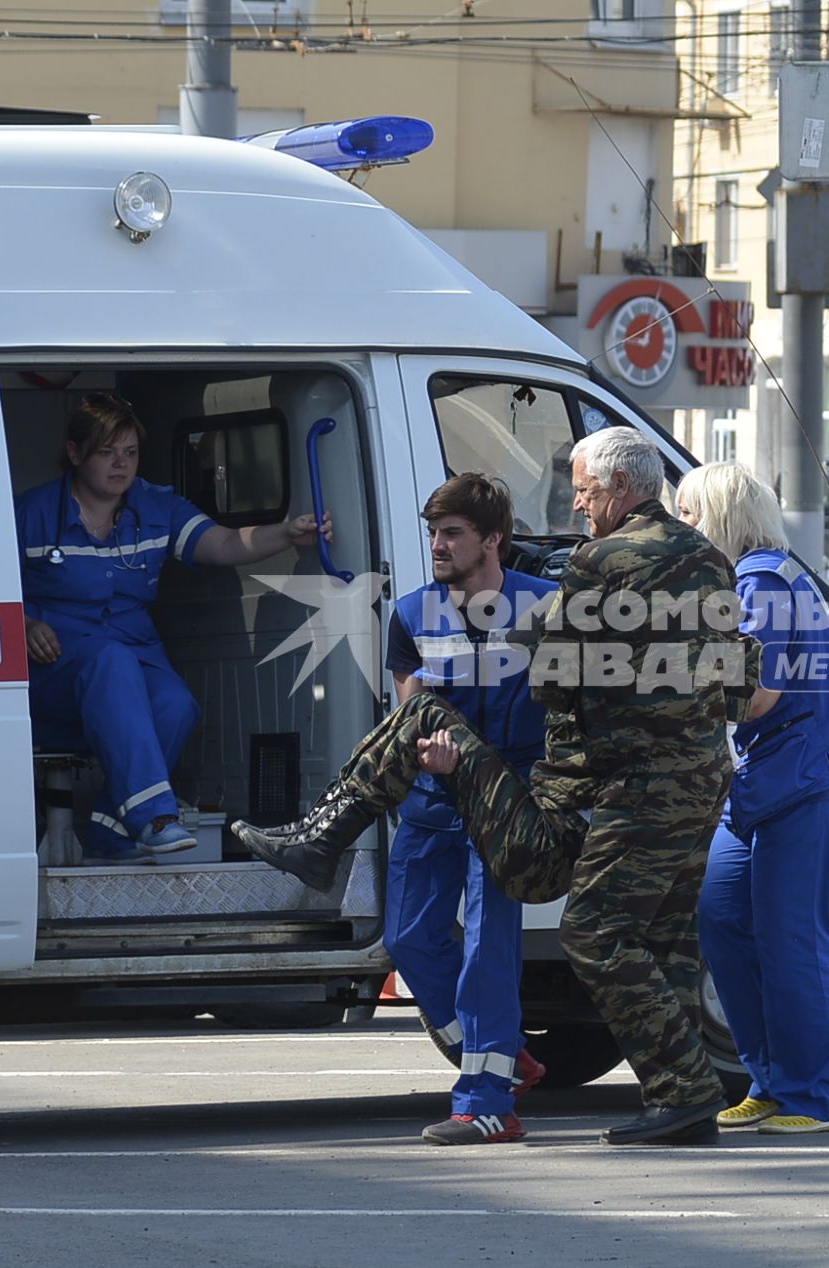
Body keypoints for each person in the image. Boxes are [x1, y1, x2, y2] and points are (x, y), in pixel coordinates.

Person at [233, 427, 742, 1147]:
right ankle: (684, 1095)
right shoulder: (707, 558)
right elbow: (725, 666)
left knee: (591, 928)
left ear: (622, 491)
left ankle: (327, 833)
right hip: (696, 779)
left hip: (600, 788)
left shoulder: (599, 561)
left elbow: (557, 664)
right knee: (665, 941)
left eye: (585, 490)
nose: (577, 504)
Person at [18, 393, 331, 864]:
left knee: (176, 704)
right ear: (75, 453)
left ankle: (108, 830)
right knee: (111, 661)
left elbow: (225, 543)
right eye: (107, 452)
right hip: (55, 667)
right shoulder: (31, 513)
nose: (120, 465)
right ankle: (156, 820)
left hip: (132, 653)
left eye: (130, 452)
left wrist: (285, 533)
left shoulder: (156, 506)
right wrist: (23, 624)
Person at [675, 463, 829, 1136]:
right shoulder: (761, 576)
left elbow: (756, 693)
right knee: (722, 912)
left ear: (719, 518)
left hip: (805, 774)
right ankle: (772, 1080)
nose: (679, 527)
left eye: (687, 513)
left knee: (791, 935)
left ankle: (812, 1097)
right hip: (782, 773)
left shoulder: (759, 581)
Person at [381, 475, 555, 1145]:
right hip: (434, 797)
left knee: (487, 945)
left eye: (452, 533)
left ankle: (487, 1101)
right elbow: (411, 711)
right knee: (408, 939)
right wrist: (428, 752)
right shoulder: (409, 613)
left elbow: (571, 709)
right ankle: (504, 1053)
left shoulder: (545, 607)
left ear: (492, 539)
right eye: (434, 532)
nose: (437, 545)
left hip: (508, 798)